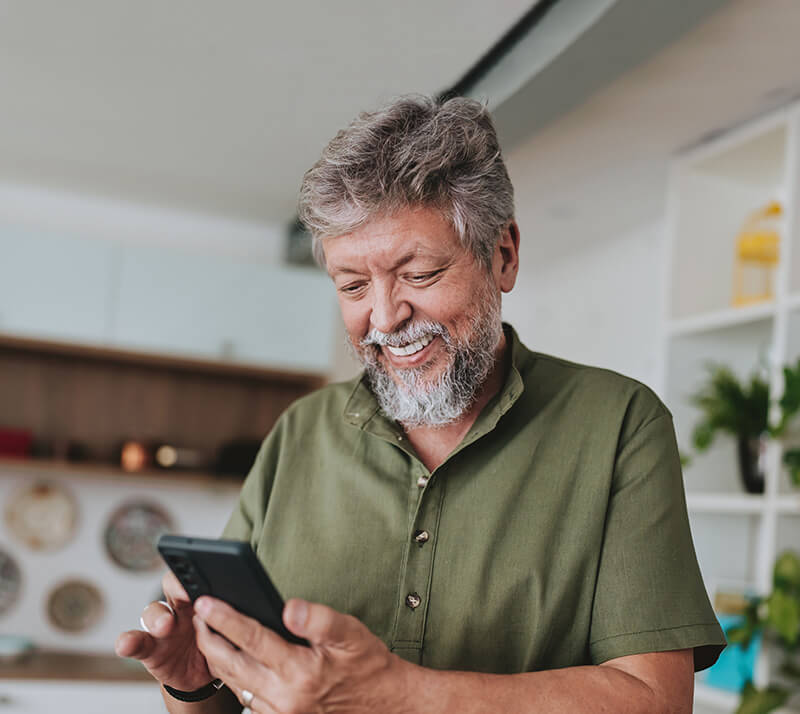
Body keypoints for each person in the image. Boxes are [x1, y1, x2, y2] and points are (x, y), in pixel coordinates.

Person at [116, 94, 726, 713]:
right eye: (353, 285)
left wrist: (402, 694)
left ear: (503, 256)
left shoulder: (618, 424)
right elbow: (228, 700)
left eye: (419, 274)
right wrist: (195, 684)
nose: (384, 317)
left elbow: (657, 701)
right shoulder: (301, 430)